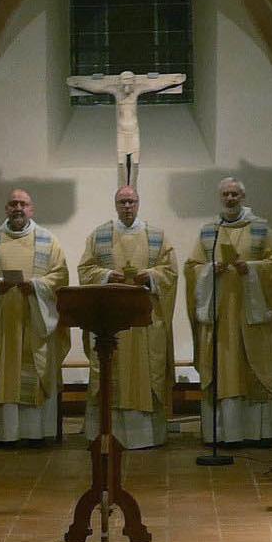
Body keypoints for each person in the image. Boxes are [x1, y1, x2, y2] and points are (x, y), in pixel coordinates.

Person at [184, 177, 272, 447]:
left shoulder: (261, 228)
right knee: (224, 371)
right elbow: (192, 266)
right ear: (220, 198)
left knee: (256, 367)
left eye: (235, 194)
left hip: (252, 317)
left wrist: (250, 269)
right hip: (221, 318)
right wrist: (209, 270)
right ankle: (226, 433)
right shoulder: (209, 231)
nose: (230, 199)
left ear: (243, 197)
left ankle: (260, 433)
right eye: (226, 195)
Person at [75, 184, 179, 450]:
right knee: (112, 372)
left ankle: (146, 435)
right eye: (122, 202)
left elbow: (171, 272)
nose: (127, 206)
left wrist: (151, 276)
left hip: (144, 320)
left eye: (131, 201)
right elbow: (85, 269)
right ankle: (108, 434)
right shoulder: (99, 235)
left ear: (139, 203)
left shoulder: (157, 236)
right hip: (111, 320)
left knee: (147, 371)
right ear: (115, 204)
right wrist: (109, 276)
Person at [0, 188, 67, 447]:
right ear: (6, 209)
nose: (18, 208)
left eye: (23, 204)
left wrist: (35, 286)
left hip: (34, 323)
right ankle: (1, 434)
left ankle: (36, 434)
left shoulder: (48, 240)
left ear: (31, 209)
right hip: (1, 323)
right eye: (13, 204)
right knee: (1, 371)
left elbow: (60, 276)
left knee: (33, 371)